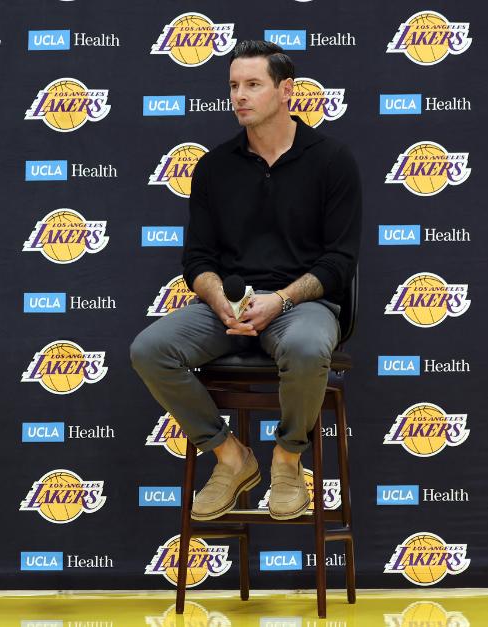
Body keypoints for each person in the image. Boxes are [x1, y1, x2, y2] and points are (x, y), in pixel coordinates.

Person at [130, 40, 360, 521]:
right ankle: (231, 456)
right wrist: (219, 302)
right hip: (231, 305)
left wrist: (280, 300)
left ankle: (287, 459)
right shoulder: (214, 167)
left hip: (300, 304)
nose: (240, 95)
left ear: (287, 91)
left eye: (253, 84)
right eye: (234, 86)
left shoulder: (333, 161)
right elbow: (197, 259)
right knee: (149, 349)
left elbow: (340, 262)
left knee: (305, 348)